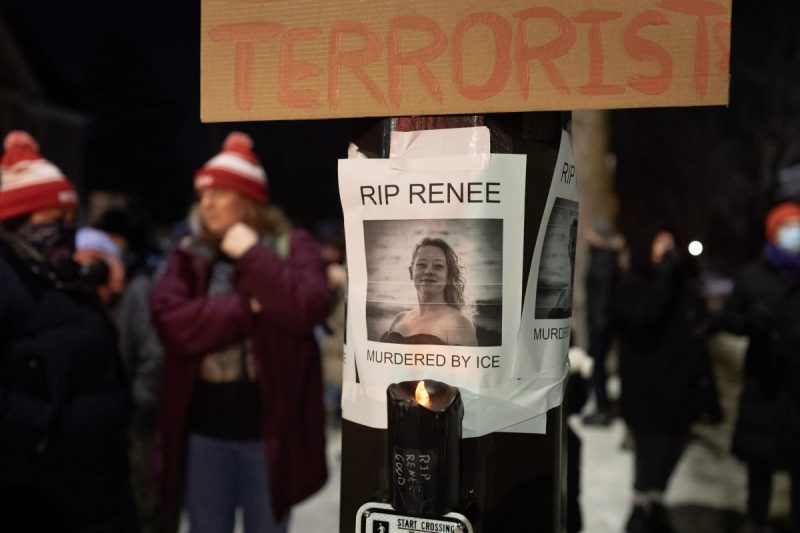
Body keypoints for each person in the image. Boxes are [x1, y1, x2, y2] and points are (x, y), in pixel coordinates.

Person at [150, 132, 330, 533]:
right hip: (203, 433)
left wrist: (251, 253)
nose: (206, 203)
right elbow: (171, 323)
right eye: (203, 195)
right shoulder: (190, 254)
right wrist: (246, 308)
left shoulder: (290, 246)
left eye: (218, 193)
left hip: (270, 435)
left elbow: (308, 306)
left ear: (247, 198)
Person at [0, 130, 133, 532]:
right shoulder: (9, 278)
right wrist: (42, 431)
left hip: (95, 482)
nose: (67, 228)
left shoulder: (60, 274)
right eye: (54, 219)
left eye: (70, 218)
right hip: (39, 490)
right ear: (17, 219)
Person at [614, 226, 719, 533]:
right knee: (650, 453)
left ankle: (657, 501)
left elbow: (700, 321)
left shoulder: (678, 283)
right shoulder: (632, 285)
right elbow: (643, 319)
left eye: (670, 244)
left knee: (675, 447)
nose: (667, 251)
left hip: (681, 386)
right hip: (648, 390)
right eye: (660, 244)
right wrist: (663, 277)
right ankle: (640, 506)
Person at [715, 202, 800, 533]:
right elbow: (730, 319)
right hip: (764, 382)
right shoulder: (753, 275)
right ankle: (755, 518)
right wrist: (751, 322)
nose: (795, 233)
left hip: (797, 386)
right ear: (773, 232)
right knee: (760, 459)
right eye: (788, 226)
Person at [380, 237, 478, 346]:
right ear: (411, 272)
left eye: (438, 266)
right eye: (421, 265)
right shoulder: (399, 319)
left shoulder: (459, 324)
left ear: (449, 276)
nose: (428, 271)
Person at [582, 219, 625, 426]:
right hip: (601, 320)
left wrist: (599, 322)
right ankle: (602, 405)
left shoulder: (603, 258)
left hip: (601, 322)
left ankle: (603, 408)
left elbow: (603, 293)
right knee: (597, 364)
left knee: (597, 364)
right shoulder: (604, 256)